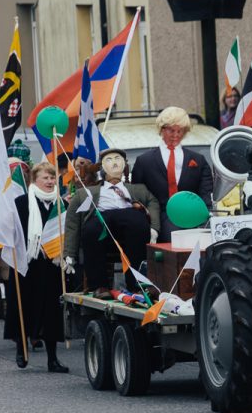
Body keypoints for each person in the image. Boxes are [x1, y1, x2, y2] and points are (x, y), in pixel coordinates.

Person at [64, 148, 160, 298]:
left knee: (138, 223)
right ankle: (99, 285)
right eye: (109, 160)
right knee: (91, 229)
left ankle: (137, 284)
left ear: (125, 166)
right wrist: (69, 253)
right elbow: (72, 222)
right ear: (102, 168)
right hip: (100, 218)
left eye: (118, 159)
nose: (114, 163)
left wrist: (154, 228)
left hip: (129, 218)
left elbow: (153, 203)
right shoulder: (86, 193)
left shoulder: (138, 189)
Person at [6, 162, 68, 372]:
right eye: (46, 178)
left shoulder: (61, 204)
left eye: (53, 178)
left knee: (52, 310)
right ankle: (21, 348)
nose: (51, 182)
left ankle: (53, 358)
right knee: (25, 305)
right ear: (35, 180)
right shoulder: (21, 203)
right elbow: (11, 231)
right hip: (27, 263)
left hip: (51, 264)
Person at [131, 107, 213, 242]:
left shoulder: (199, 160)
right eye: (171, 130)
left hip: (194, 216)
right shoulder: (144, 162)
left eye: (180, 131)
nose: (176, 135)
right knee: (175, 237)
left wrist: (205, 217)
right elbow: (138, 196)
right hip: (160, 218)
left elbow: (206, 194)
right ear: (162, 129)